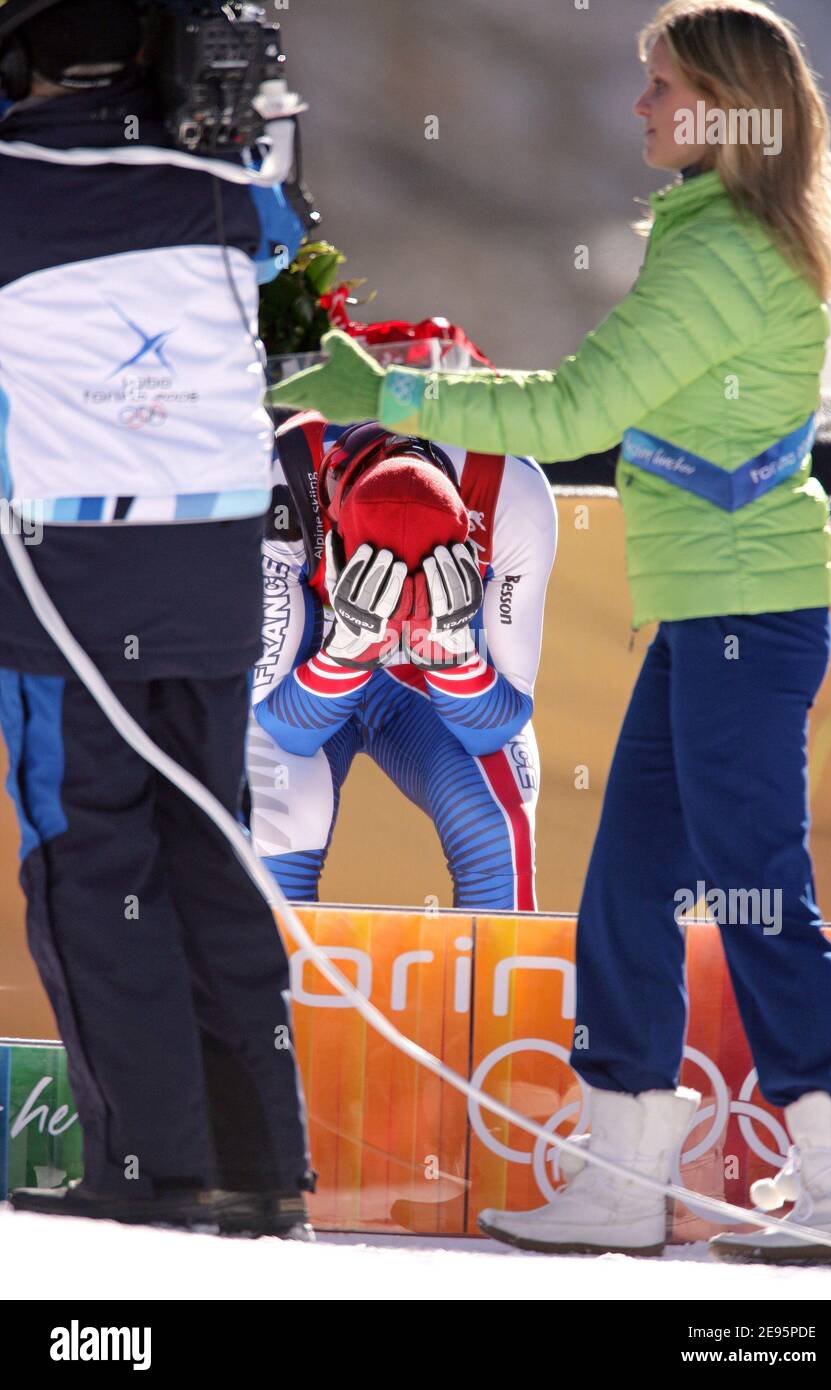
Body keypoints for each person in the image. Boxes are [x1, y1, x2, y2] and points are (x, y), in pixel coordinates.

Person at [272, 0, 831, 1263]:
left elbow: (571, 408)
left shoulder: (720, 260)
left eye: (658, 85)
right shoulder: (720, 235)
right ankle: (621, 1165)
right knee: (627, 891)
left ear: (716, 105)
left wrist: (388, 394)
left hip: (741, 620)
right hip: (708, 615)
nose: (639, 107)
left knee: (757, 892)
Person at [0, 0, 313, 1236]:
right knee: (209, 847)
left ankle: (152, 1171)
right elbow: (279, 251)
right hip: (213, 563)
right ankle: (259, 1164)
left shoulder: (13, 183)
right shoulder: (226, 185)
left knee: (93, 861)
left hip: (70, 571)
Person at [247, 410, 556, 911]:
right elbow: (277, 724)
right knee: (275, 820)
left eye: (416, 588)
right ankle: (265, 988)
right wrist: (345, 656)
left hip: (426, 693)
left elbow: (499, 726)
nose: (399, 611)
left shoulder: (512, 493)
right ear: (336, 526)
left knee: (496, 824)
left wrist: (454, 661)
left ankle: (496, 985)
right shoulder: (285, 479)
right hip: (309, 664)